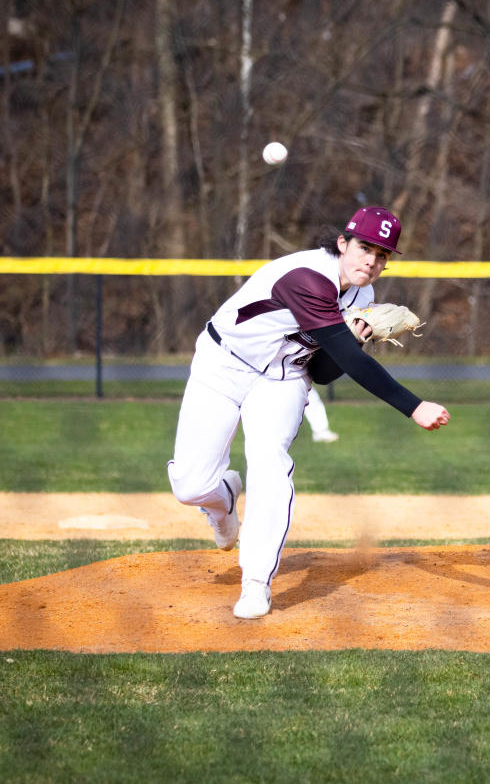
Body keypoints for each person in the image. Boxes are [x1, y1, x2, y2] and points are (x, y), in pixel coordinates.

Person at [167, 206, 450, 619]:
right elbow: (351, 365)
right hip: (223, 365)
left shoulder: (362, 296)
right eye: (364, 247)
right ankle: (222, 497)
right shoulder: (307, 277)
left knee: (270, 461)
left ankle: (256, 582)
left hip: (282, 380)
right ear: (342, 244)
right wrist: (413, 406)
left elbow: (321, 370)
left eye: (383, 254)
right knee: (189, 486)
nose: (371, 260)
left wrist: (354, 338)